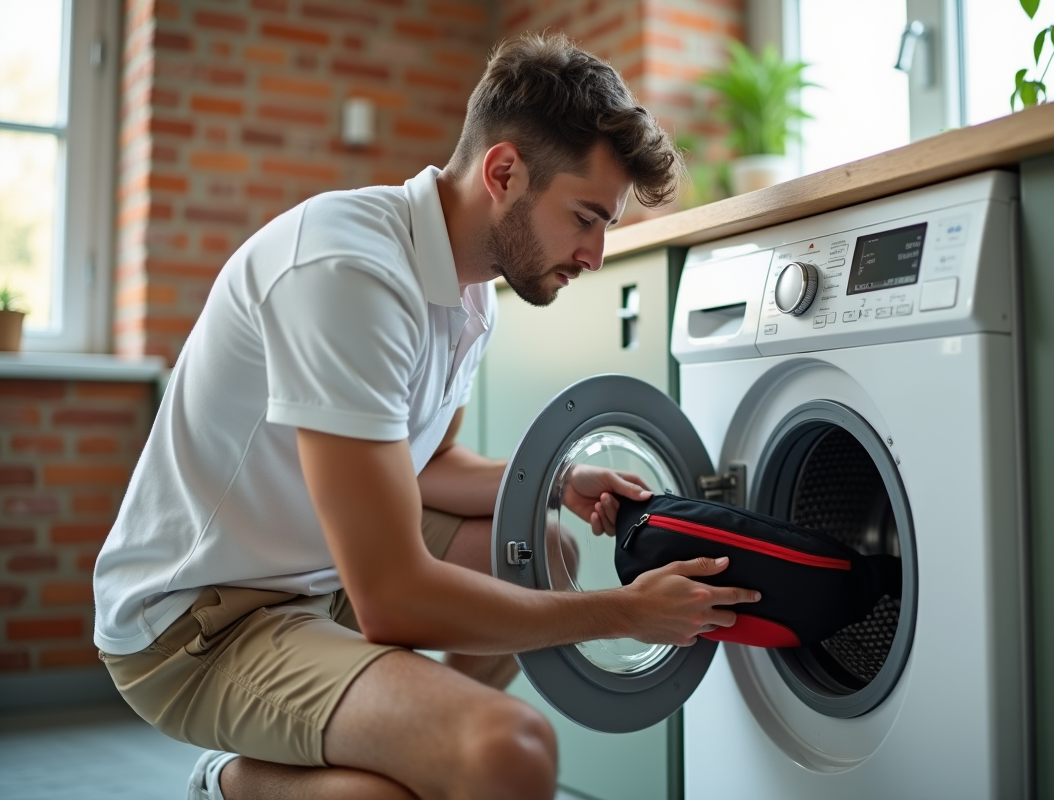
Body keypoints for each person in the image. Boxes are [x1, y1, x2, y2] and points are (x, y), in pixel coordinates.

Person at [93, 32, 759, 800]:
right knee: (505, 752)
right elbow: (393, 597)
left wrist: (557, 480)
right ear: (504, 171)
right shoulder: (349, 275)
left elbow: (428, 465)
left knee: (540, 545)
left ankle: (395, 735)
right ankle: (237, 782)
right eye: (585, 217)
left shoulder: (469, 288)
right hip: (203, 623)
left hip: (321, 574)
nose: (596, 254)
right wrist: (623, 613)